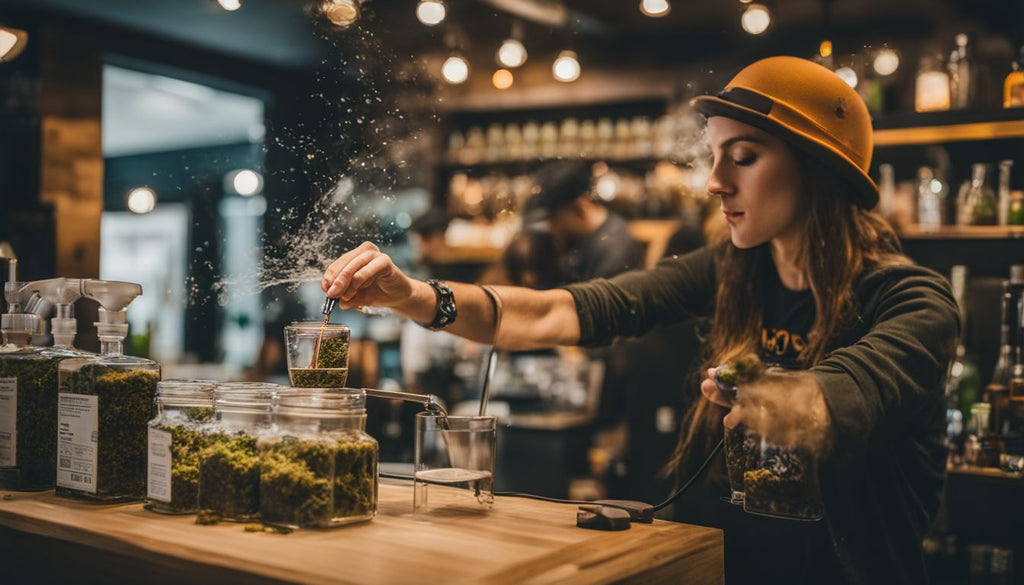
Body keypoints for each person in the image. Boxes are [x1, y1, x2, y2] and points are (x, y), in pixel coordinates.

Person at [321, 56, 959, 584]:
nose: (714, 182)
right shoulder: (726, 272)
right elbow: (567, 309)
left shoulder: (913, 302)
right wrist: (415, 297)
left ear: (820, 171)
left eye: (742, 156)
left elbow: (839, 398)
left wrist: (763, 390)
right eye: (713, 156)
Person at [524, 161, 644, 283]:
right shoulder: (579, 240)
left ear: (579, 209)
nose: (551, 227)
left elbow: (599, 301)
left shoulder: (617, 250)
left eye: (554, 218)